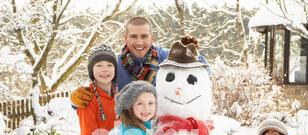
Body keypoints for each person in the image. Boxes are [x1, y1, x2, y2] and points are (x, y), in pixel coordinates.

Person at [70, 16, 209, 107]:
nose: (139, 42)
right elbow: (98, 93)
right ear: (125, 38)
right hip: (127, 129)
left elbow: (205, 73)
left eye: (144, 36)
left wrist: (192, 55)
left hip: (162, 126)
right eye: (133, 36)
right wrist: (75, 100)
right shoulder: (115, 64)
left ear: (151, 38)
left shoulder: (167, 58)